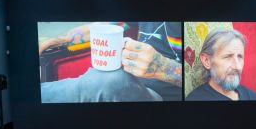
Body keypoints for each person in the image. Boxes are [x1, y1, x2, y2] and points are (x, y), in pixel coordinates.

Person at [40, 22, 182, 103]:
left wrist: (162, 67)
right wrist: (61, 40)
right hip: (129, 81)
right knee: (108, 77)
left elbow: (203, 76)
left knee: (112, 81)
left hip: (165, 97)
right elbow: (105, 28)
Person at [185, 28, 256, 101]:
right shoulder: (195, 99)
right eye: (227, 56)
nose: (237, 66)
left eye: (240, 57)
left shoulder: (252, 96)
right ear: (207, 61)